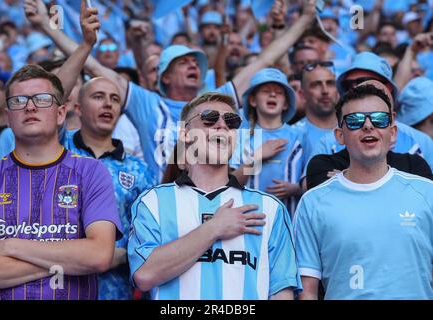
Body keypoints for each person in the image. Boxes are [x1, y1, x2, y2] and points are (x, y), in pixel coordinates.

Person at [24, 0, 318, 178]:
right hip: (161, 214)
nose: (193, 65)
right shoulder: (147, 104)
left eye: (197, 62)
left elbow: (265, 59)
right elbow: (94, 68)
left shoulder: (213, 103)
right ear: (163, 76)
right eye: (183, 62)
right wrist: (45, 27)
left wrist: (304, 20)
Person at [0, 1, 122, 300]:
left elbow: (98, 256)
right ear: (8, 117)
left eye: (42, 100)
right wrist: (68, 260)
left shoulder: (91, 171)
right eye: (19, 102)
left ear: (61, 114)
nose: (31, 106)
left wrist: (9, 247)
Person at [128, 92, 302, 300]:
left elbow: (282, 292)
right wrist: (214, 228)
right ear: (185, 134)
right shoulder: (152, 202)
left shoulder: (269, 208)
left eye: (232, 122)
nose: (222, 126)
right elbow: (145, 275)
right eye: (209, 119)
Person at [295, 85, 433, 300]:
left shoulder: (427, 192)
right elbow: (307, 291)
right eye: (355, 120)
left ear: (393, 132)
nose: (368, 125)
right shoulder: (312, 202)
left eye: (379, 119)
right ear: (339, 136)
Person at [63, 77, 156, 300]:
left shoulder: (139, 170)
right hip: (58, 285)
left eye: (114, 99)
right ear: (77, 109)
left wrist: (125, 256)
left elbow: (149, 235)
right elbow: (49, 100)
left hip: (116, 289)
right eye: (98, 97)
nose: (108, 104)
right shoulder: (57, 151)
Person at [231, 68, 304, 215]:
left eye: (279, 92)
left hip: (289, 221)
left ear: (285, 104)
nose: (272, 94)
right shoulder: (241, 136)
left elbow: (313, 182)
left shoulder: (300, 134)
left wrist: (296, 188)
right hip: (250, 222)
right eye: (266, 91)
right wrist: (255, 158)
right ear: (252, 100)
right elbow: (231, 184)